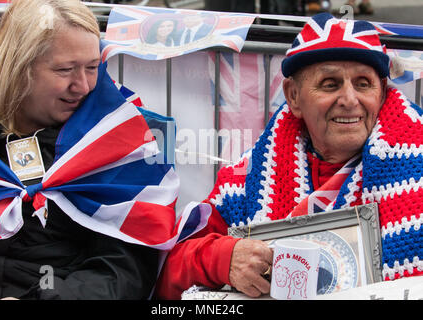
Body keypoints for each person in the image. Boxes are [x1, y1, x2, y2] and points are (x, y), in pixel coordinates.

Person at [155, 13, 423, 299]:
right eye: (330, 84)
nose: (349, 99)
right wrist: (223, 259)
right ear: (293, 96)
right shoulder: (246, 180)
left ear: (381, 93)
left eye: (363, 84)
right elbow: (169, 272)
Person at [0, 0, 183, 300]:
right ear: (18, 66)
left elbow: (126, 266)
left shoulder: (115, 136)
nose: (82, 85)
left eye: (93, 67)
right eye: (65, 70)